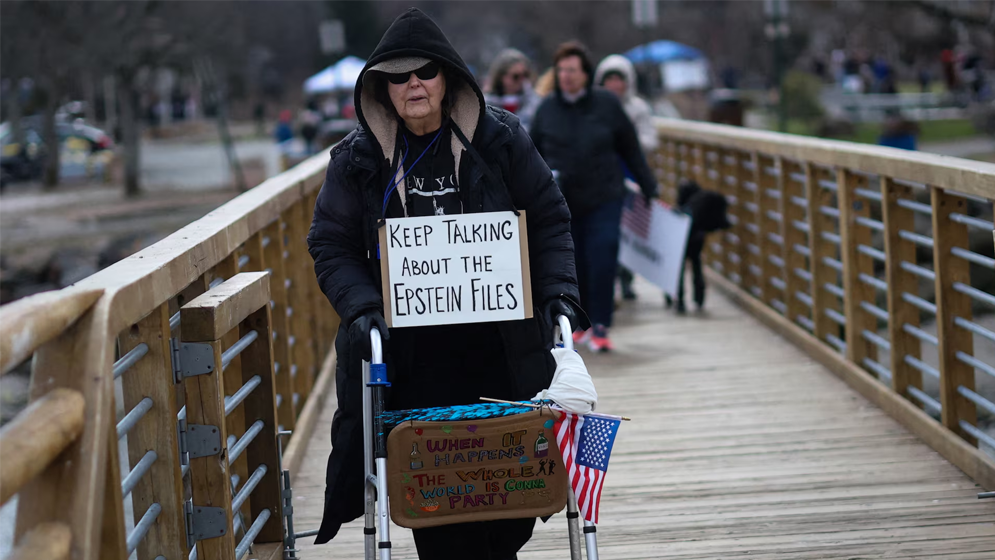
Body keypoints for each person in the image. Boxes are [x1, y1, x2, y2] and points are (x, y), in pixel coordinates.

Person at [307, 8, 585, 558]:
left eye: (425, 72)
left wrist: (559, 295)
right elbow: (331, 243)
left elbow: (550, 218)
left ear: (448, 77)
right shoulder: (357, 159)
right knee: (432, 498)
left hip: (502, 343)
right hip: (412, 354)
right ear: (381, 88)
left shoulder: (502, 138)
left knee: (512, 495)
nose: (413, 84)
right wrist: (361, 307)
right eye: (398, 75)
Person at [531, 41, 657, 352]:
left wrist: (649, 185)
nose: (566, 76)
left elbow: (630, 147)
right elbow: (530, 155)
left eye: (572, 70)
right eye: (561, 70)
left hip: (605, 196)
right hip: (563, 202)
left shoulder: (607, 104)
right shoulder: (547, 109)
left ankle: (601, 324)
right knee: (577, 265)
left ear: (586, 74)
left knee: (602, 256)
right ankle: (581, 325)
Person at [594, 54, 659, 301]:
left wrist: (624, 140)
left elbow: (651, 140)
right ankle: (609, 280)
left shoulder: (638, 108)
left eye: (618, 79)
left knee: (628, 228)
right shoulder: (594, 105)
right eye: (608, 79)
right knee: (607, 230)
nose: (614, 85)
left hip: (630, 171)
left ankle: (627, 277)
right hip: (602, 173)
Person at [667, 179, 731, 314]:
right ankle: (699, 298)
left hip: (681, 238)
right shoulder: (701, 204)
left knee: (678, 270)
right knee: (697, 265)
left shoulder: (681, 211)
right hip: (697, 237)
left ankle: (678, 300)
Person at [484, 48, 542, 131]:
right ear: (501, 76)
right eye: (516, 76)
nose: (521, 80)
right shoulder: (486, 106)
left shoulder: (535, 104)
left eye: (525, 75)